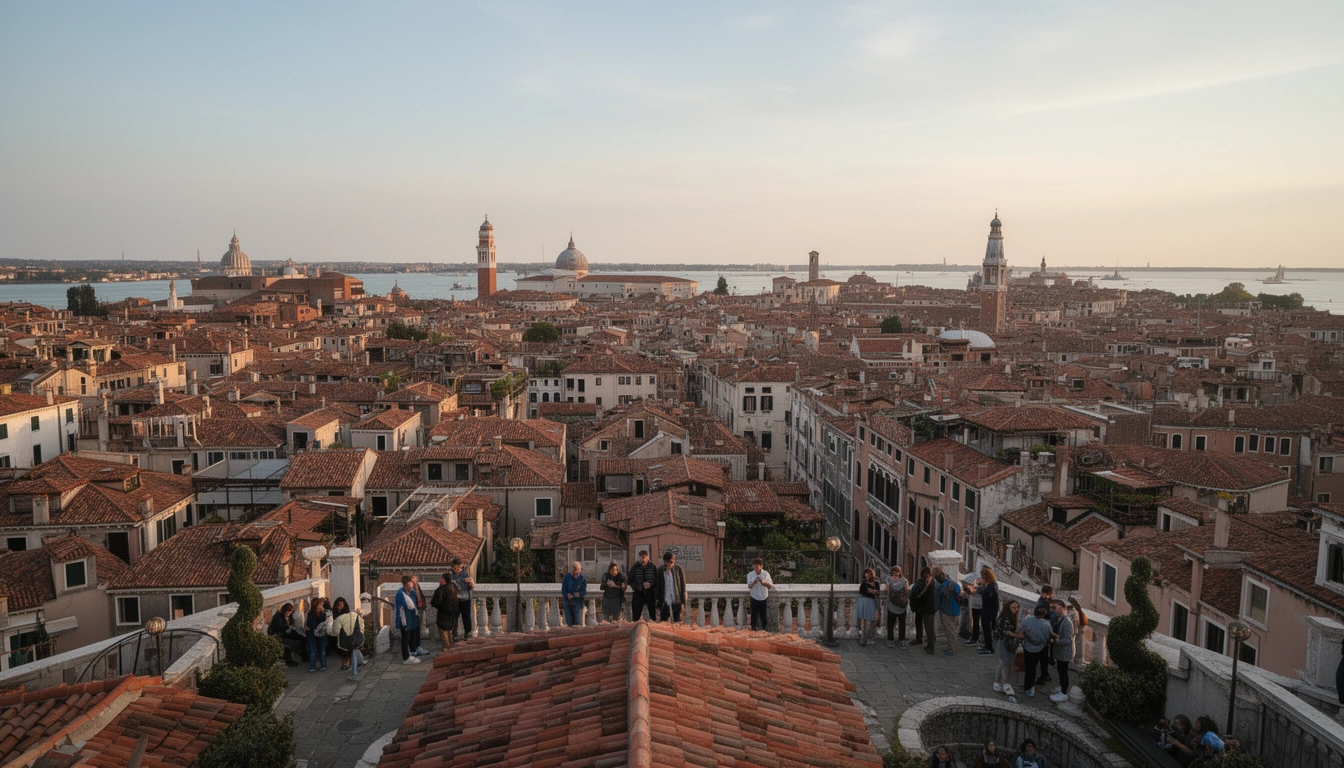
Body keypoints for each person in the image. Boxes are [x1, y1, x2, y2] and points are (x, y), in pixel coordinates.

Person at [1020, 604, 1053, 698]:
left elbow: (1020, 629)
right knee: (1033, 668)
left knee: (1028, 667)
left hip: (1027, 646)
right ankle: (1030, 686)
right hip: (1038, 648)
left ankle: (1027, 686)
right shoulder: (1047, 624)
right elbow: (1046, 638)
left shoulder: (1027, 619)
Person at [994, 601, 1023, 702]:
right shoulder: (1005, 618)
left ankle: (998, 682)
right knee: (1003, 662)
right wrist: (1018, 636)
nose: (1016, 609)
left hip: (1006, 642)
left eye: (1016, 607)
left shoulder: (1011, 617)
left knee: (1003, 662)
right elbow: (1007, 631)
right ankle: (1000, 683)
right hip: (1004, 642)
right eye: (1013, 607)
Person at [332, 597, 366, 680]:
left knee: (351, 652)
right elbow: (362, 625)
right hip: (357, 638)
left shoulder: (338, 619)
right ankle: (361, 662)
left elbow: (335, 632)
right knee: (354, 650)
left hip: (346, 640)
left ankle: (353, 672)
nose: (338, 607)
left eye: (340, 605)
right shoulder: (354, 615)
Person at [1049, 599, 1074, 702]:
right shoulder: (1061, 619)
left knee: (1063, 672)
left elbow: (1068, 640)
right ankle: (1061, 687)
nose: (1052, 610)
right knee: (1060, 670)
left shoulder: (1067, 622)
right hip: (1061, 652)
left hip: (1065, 652)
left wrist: (1056, 641)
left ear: (1061, 607)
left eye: (1054, 607)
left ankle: (1064, 693)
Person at [933, 568, 962, 656]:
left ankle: (952, 648)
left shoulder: (941, 587)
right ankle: (949, 645)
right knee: (953, 629)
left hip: (946, 611)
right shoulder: (955, 583)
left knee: (949, 631)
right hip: (956, 610)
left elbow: (937, 600)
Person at [267, 602, 306, 666]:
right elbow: (280, 630)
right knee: (290, 645)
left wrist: (292, 628)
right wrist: (288, 628)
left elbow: (292, 623)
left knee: (302, 637)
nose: (289, 613)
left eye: (290, 611)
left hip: (288, 633)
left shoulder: (289, 616)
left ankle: (305, 656)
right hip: (280, 635)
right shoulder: (278, 617)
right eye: (288, 611)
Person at [395, 575, 422, 664]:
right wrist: (404, 623)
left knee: (410, 638)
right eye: (410, 583)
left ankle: (410, 654)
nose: (411, 585)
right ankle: (405, 658)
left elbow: (416, 603)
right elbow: (401, 610)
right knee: (405, 639)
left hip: (411, 618)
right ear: (406, 584)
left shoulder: (412, 592)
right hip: (405, 620)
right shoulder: (401, 594)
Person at [910, 567, 937, 654]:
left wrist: (926, 585)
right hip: (924, 607)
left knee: (929, 628)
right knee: (924, 625)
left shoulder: (930, 583)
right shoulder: (929, 582)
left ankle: (930, 647)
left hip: (928, 608)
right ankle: (922, 640)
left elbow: (921, 594)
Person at [654, 551, 687, 622]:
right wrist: (657, 600)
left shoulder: (678, 569)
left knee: (677, 620)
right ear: (664, 562)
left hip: (676, 599)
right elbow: (657, 587)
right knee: (664, 620)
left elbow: (683, 586)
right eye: (667, 562)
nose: (669, 564)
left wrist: (683, 601)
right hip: (665, 599)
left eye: (671, 562)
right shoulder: (660, 570)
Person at [431, 572, 460, 648]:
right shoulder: (453, 590)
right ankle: (452, 650)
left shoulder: (440, 591)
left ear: (444, 580)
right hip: (452, 616)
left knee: (444, 635)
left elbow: (435, 602)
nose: (440, 580)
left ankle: (447, 652)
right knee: (450, 633)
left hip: (442, 615)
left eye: (441, 578)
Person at [1035, 584, 1056, 688]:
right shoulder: (1046, 602)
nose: (1044, 596)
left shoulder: (1046, 603)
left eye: (1046, 594)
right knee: (1043, 654)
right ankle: (1045, 673)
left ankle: (1044, 675)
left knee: (1043, 654)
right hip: (1044, 629)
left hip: (1045, 631)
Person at [629, 550, 658, 621]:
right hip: (638, 594)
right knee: (636, 616)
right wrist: (640, 586)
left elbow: (657, 580)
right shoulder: (635, 567)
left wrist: (650, 584)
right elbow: (630, 580)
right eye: (640, 558)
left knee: (653, 615)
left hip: (650, 593)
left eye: (644, 557)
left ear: (648, 558)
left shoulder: (653, 567)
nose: (642, 559)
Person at [450, 558, 475, 640]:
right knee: (454, 617)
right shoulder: (450, 574)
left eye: (457, 567)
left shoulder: (465, 573)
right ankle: (454, 634)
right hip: (455, 600)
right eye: (454, 568)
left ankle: (468, 633)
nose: (456, 569)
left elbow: (472, 586)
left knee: (466, 616)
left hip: (465, 598)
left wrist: (471, 583)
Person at [885, 565, 909, 649]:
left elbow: (887, 588)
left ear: (899, 574)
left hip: (897, 605)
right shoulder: (904, 581)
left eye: (896, 574)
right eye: (893, 574)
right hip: (900, 605)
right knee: (894, 624)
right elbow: (907, 590)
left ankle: (894, 639)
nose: (894, 576)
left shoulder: (889, 580)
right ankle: (897, 640)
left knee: (896, 624)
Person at [746, 557, 774, 631]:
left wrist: (764, 583)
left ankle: (764, 629)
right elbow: (749, 586)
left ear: (761, 566)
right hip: (754, 596)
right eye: (754, 566)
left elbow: (771, 586)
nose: (756, 568)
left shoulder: (765, 573)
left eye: (757, 566)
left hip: (763, 597)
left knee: (763, 615)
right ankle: (753, 628)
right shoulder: (750, 574)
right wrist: (754, 582)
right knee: (754, 615)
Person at [977, 568, 1000, 655]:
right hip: (989, 608)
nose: (982, 577)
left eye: (983, 575)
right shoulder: (992, 584)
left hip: (989, 609)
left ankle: (989, 648)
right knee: (985, 628)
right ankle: (987, 645)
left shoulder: (991, 586)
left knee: (987, 628)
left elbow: (987, 595)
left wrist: (981, 588)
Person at [305, 597, 331, 672]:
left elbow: (309, 624)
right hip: (321, 633)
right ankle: (323, 665)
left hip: (311, 633)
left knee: (312, 651)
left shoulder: (310, 613)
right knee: (322, 650)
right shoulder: (322, 613)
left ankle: (312, 666)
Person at [856, 568, 879, 645]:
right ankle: (863, 638)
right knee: (864, 620)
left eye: (869, 575)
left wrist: (874, 591)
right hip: (863, 602)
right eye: (866, 575)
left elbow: (878, 593)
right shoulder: (864, 583)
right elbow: (861, 592)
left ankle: (871, 637)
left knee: (873, 619)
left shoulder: (876, 583)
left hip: (872, 602)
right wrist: (870, 591)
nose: (868, 577)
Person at [561, 561, 588, 626]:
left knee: (578, 623)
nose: (578, 571)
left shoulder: (582, 578)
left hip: (578, 603)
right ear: (573, 570)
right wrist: (567, 594)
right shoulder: (567, 577)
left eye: (579, 569)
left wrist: (579, 594)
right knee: (569, 623)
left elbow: (584, 591)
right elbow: (563, 589)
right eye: (576, 569)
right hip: (568, 603)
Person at [330, 597, 352, 669]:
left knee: (348, 650)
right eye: (338, 605)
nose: (339, 606)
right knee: (341, 650)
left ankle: (349, 663)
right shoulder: (335, 613)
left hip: (346, 633)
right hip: (339, 634)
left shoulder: (347, 613)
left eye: (341, 604)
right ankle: (343, 664)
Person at [409, 574, 428, 656]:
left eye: (415, 579)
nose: (415, 581)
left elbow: (420, 596)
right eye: (413, 580)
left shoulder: (417, 586)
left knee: (418, 629)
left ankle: (417, 646)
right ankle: (413, 649)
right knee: (413, 630)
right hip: (413, 611)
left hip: (419, 609)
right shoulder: (409, 589)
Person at [965, 577, 984, 647]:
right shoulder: (976, 587)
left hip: (980, 606)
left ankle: (977, 638)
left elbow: (972, 591)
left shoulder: (981, 588)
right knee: (975, 623)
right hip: (975, 607)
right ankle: (975, 637)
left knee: (980, 623)